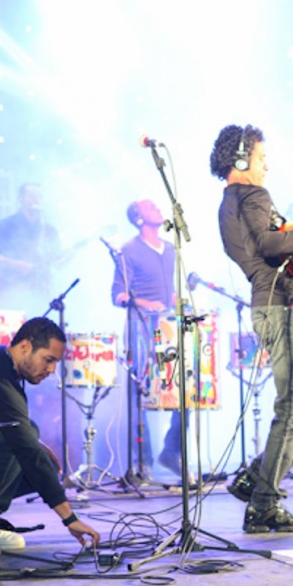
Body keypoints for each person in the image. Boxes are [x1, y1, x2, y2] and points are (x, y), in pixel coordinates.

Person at [210, 124, 293, 533]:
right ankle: (264, 505)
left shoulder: (230, 203)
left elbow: (271, 244)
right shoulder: (253, 195)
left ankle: (255, 478)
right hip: (281, 307)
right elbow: (266, 246)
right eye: (262, 158)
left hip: (282, 305)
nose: (267, 166)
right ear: (241, 160)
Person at [0, 317, 100, 551]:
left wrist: (32, 439)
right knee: (17, 442)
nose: (51, 370)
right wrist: (69, 518)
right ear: (25, 346)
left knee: (30, 436)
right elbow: (23, 446)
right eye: (48, 360)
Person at [111, 199, 189, 481]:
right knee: (140, 393)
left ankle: (171, 451)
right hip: (141, 328)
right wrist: (144, 302)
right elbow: (118, 294)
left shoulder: (169, 250)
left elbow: (169, 291)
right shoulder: (128, 250)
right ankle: (142, 463)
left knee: (185, 388)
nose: (157, 208)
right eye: (149, 207)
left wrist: (179, 302)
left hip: (168, 329)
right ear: (138, 217)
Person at [0, 183, 61, 312]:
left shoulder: (49, 230)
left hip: (38, 294)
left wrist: (68, 257)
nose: (36, 199)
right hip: (8, 293)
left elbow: (56, 262)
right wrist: (19, 265)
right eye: (32, 196)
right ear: (21, 199)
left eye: (39, 196)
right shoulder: (4, 226)